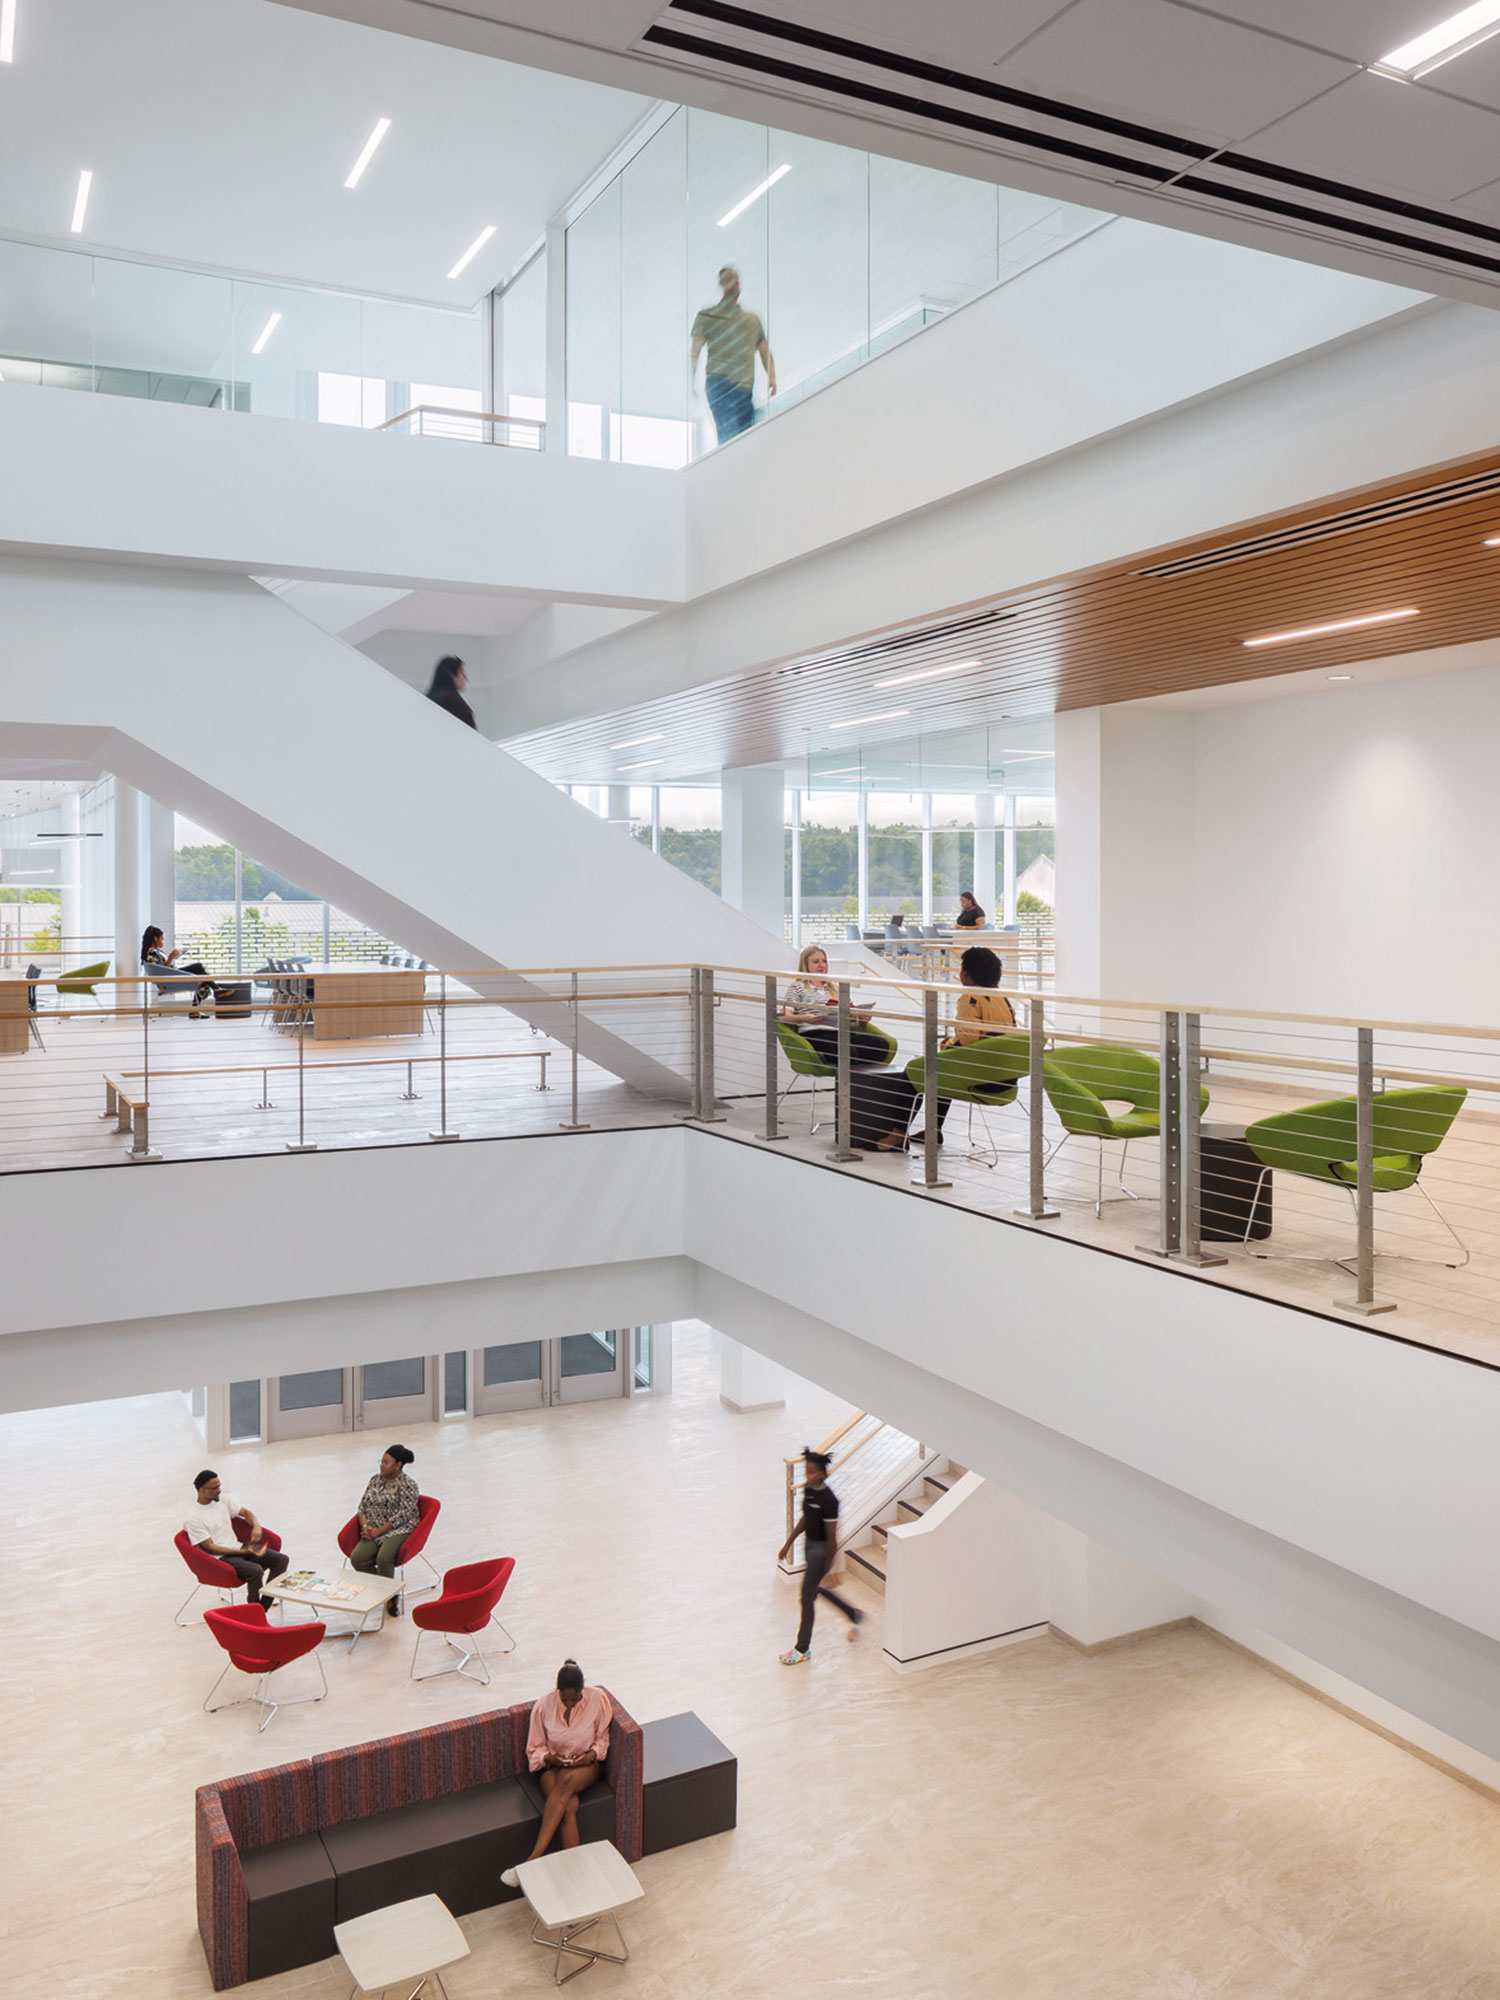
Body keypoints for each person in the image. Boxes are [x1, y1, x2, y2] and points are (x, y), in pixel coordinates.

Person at [851, 945, 1016, 1152]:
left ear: (968, 974)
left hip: (981, 1077)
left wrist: (947, 1043)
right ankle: (933, 1130)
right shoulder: (1004, 999)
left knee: (913, 1071)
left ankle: (897, 1135)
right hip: (1002, 1078)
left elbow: (967, 1040)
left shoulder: (970, 997)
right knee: (941, 1067)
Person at [500, 1661, 614, 1880]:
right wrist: (551, 1758)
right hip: (552, 1768)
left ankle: (532, 1860)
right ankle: (576, 1879)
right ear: (557, 1691)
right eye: (565, 1699)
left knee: (566, 1783)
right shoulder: (544, 1706)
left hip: (586, 1766)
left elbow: (602, 1739)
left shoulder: (597, 1699)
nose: (570, 1704)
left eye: (575, 1698)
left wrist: (589, 1755)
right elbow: (534, 1748)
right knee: (568, 1808)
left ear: (582, 1690)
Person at [777, 1449, 862, 1663]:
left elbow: (833, 1538)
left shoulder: (830, 1500)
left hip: (822, 1551)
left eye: (812, 1472)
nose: (807, 1476)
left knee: (806, 1597)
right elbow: (806, 1518)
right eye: (806, 1471)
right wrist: (788, 1543)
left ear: (822, 1473)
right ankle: (852, 1613)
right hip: (809, 1545)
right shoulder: (809, 1490)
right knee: (814, 1590)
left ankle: (802, 1648)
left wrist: (830, 1568)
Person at [690, 265, 776, 445]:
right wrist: (691, 378)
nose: (734, 283)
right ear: (721, 283)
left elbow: (764, 350)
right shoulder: (708, 316)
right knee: (729, 436)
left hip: (744, 388)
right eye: (729, 279)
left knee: (745, 438)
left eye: (736, 279)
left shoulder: (751, 320)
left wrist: (772, 378)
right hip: (720, 383)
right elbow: (695, 350)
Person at [184, 1470, 289, 1608]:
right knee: (255, 1570)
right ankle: (255, 1608)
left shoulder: (223, 1500)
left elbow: (245, 1512)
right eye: (215, 1488)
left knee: (282, 1560)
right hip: (222, 1558)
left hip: (239, 1547)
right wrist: (244, 1552)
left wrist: (256, 1525)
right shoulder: (194, 1518)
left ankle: (261, 1608)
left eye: (219, 1486)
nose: (219, 1490)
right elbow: (209, 1547)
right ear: (202, 1490)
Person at [348, 1444, 420, 1614]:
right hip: (373, 1527)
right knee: (357, 1558)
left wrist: (379, 1531)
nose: (382, 1465)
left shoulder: (408, 1484)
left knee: (384, 1557)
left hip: (398, 1528)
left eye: (387, 1462)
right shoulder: (375, 1480)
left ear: (398, 1465)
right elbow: (362, 1506)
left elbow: (405, 1514)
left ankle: (389, 1599)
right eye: (382, 1461)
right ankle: (386, 1588)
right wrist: (365, 1527)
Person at [141, 924, 213, 1013]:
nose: (163, 942)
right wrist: (171, 957)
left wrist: (173, 957)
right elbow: (161, 973)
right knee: (199, 968)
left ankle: (196, 1009)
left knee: (203, 975)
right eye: (162, 939)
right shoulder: (152, 953)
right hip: (170, 979)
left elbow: (163, 968)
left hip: (172, 975)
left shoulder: (155, 952)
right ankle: (217, 990)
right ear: (156, 939)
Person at [425, 655, 476, 730]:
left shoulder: (426, 701)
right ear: (451, 675)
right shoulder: (456, 704)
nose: (465, 678)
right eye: (462, 672)